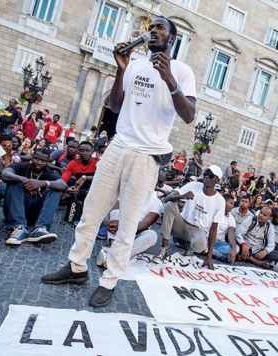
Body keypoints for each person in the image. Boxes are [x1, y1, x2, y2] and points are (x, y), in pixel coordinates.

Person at [41, 16, 197, 307]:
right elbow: (113, 105)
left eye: (160, 28)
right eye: (151, 28)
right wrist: (120, 69)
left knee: (127, 224)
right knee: (91, 212)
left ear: (172, 39)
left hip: (146, 155)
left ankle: (110, 280)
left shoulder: (183, 71)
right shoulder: (136, 65)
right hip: (118, 146)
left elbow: (189, 115)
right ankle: (76, 266)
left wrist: (170, 80)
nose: (153, 32)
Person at [160, 165, 225, 263]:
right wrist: (182, 196)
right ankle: (164, 248)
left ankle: (187, 246)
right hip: (182, 225)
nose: (206, 177)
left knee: (201, 246)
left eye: (210, 175)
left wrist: (209, 256)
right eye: (205, 174)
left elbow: (214, 228)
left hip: (198, 231)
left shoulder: (220, 201)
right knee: (170, 205)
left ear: (217, 180)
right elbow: (166, 199)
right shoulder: (193, 185)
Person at [2, 150, 66, 245]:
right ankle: (19, 228)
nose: (39, 163)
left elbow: (63, 185)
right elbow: (5, 173)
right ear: (32, 157)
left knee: (55, 190)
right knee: (14, 183)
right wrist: (24, 180)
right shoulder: (22, 166)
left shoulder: (49, 172)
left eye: (43, 161)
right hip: (16, 210)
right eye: (36, 159)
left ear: (48, 162)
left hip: (35, 214)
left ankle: (40, 228)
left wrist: (43, 183)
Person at [96, 190, 163, 268]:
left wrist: (124, 227)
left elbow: (145, 224)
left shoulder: (156, 202)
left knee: (152, 235)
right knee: (116, 213)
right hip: (119, 232)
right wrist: (108, 223)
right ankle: (116, 256)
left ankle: (113, 257)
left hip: (136, 233)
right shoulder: (127, 191)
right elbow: (110, 210)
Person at [238, 205, 278, 272]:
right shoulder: (251, 219)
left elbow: (271, 244)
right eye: (260, 213)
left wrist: (265, 251)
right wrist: (243, 244)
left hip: (258, 250)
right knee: (236, 249)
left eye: (264, 215)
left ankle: (271, 264)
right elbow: (238, 233)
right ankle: (259, 262)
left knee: (275, 255)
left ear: (269, 218)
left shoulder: (270, 227)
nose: (261, 215)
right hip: (245, 247)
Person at [211, 194, 238, 264]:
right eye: (231, 203)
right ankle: (217, 255)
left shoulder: (231, 218)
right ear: (223, 202)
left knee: (236, 248)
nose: (232, 206)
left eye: (233, 204)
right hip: (207, 240)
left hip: (219, 244)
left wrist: (233, 249)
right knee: (201, 243)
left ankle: (210, 252)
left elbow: (231, 234)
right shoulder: (212, 211)